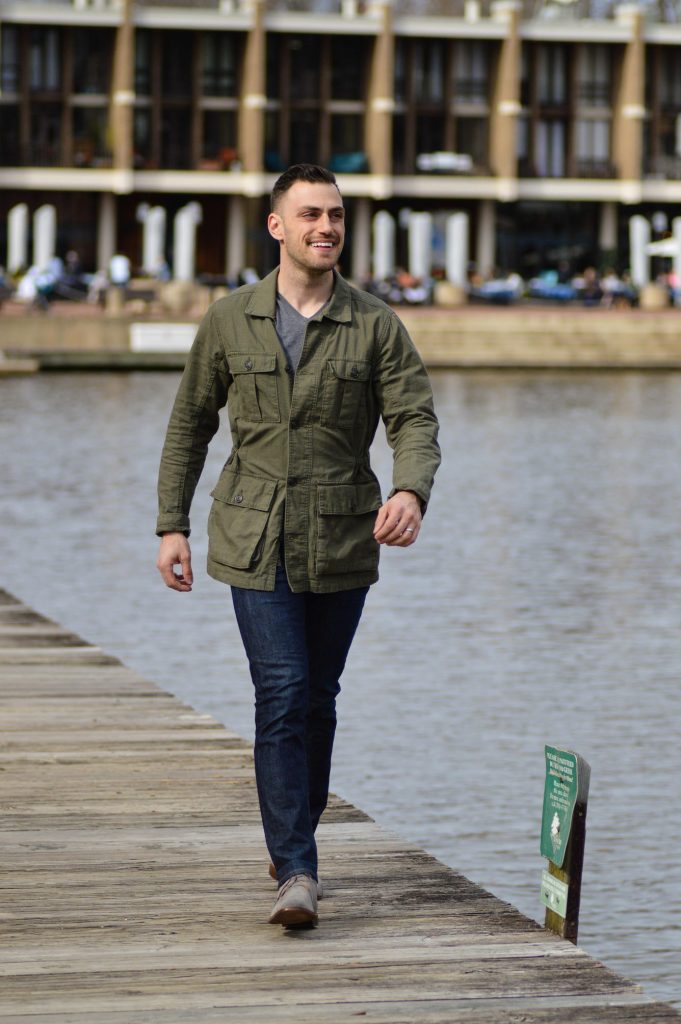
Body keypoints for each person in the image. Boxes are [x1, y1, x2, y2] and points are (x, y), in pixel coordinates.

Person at [156, 164, 440, 929]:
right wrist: (170, 525)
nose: (327, 227)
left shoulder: (375, 324)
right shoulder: (229, 319)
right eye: (311, 214)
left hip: (344, 537)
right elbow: (190, 424)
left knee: (317, 699)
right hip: (252, 537)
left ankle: (292, 842)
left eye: (337, 216)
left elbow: (412, 419)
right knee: (281, 692)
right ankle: (298, 868)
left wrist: (409, 490)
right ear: (276, 226)